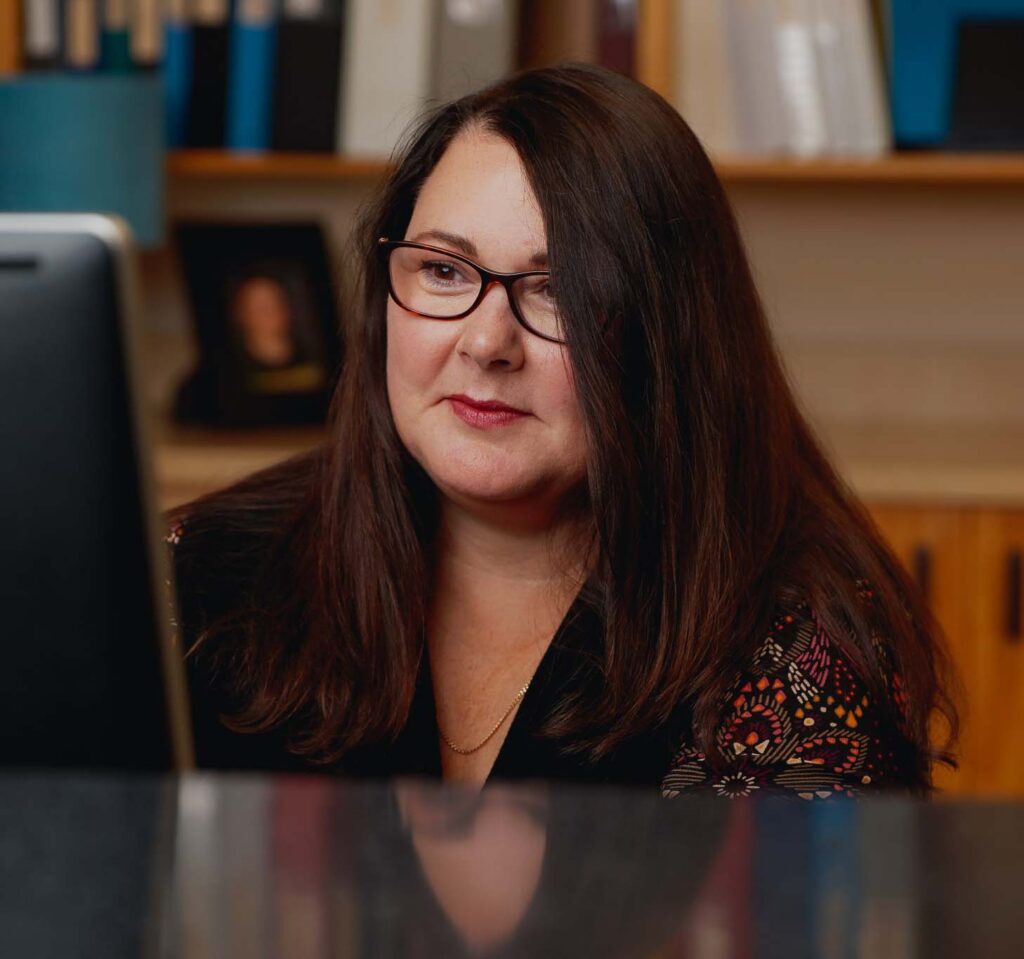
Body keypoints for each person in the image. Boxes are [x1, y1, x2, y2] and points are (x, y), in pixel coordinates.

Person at [168, 63, 960, 798]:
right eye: (443, 271)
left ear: (671, 338)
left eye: (559, 291)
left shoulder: (797, 653)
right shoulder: (199, 578)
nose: (484, 343)